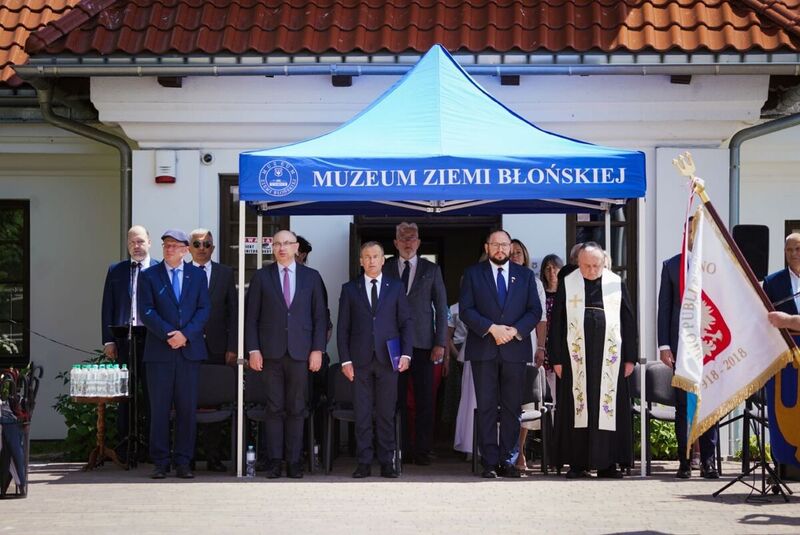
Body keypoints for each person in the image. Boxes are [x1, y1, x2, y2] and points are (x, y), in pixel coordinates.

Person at [549, 242, 637, 479]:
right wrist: (555, 358)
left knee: (607, 407)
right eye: (586, 266)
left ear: (603, 263)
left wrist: (630, 358)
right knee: (577, 407)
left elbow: (628, 320)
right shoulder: (568, 283)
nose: (591, 271)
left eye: (596, 266)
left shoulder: (615, 283)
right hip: (575, 358)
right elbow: (556, 321)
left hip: (610, 358)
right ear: (578, 263)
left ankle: (608, 463)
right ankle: (577, 463)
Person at [460, 230, 542, 478]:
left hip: (515, 350)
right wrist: (492, 329)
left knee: (511, 408)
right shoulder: (473, 274)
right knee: (485, 407)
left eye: (504, 245)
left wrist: (515, 331)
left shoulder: (526, 276)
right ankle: (489, 462)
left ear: (510, 247)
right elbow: (466, 310)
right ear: (487, 248)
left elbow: (534, 311)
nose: (500, 249)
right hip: (484, 349)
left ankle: (508, 460)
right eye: (495, 244)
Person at [245, 230, 327, 479]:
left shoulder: (311, 277)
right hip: (270, 353)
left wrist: (317, 350)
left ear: (296, 247)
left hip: (301, 353)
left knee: (296, 407)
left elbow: (320, 317)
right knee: (274, 408)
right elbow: (251, 317)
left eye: (286, 243)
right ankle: (274, 462)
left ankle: (293, 461)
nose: (281, 248)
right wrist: (253, 349)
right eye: (277, 244)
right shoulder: (261, 277)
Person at [138, 229, 210, 479]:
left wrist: (186, 335)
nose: (169, 249)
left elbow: (203, 309)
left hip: (189, 352)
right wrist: (170, 334)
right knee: (159, 409)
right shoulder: (149, 276)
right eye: (166, 245)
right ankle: (160, 461)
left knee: (186, 409)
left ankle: (183, 461)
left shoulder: (197, 276)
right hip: (160, 352)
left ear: (185, 250)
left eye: (174, 245)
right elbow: (146, 311)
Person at [337, 241, 413, 478]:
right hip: (359, 361)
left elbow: (406, 323)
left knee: (386, 413)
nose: (371, 261)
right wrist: (345, 361)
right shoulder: (350, 289)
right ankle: (364, 462)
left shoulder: (396, 288)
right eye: (367, 257)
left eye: (376, 256)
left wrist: (407, 353)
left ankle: (387, 461)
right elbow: (343, 329)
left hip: (388, 359)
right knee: (362, 413)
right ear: (361, 261)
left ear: (383, 260)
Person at [657, 217, 719, 479]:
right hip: (682, 348)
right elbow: (665, 307)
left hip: (711, 345)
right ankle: (684, 461)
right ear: (685, 232)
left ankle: (708, 461)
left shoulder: (716, 267)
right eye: (690, 230)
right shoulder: (672, 265)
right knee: (683, 406)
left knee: (710, 403)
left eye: (698, 230)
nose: (693, 234)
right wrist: (664, 345)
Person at [383, 222, 448, 465]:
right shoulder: (385, 267)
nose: (408, 242)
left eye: (412, 238)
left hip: (423, 343)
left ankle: (422, 449)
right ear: (395, 242)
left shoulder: (431, 270)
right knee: (394, 399)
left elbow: (441, 309)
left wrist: (440, 342)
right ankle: (398, 448)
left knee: (424, 400)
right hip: (392, 345)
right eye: (403, 238)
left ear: (419, 242)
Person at [101, 225, 158, 462]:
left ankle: (152, 446)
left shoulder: (159, 269)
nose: (137, 246)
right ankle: (126, 445)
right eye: (132, 242)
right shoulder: (116, 270)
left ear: (149, 243)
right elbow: (108, 307)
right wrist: (108, 341)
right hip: (125, 338)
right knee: (126, 392)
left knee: (153, 393)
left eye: (141, 241)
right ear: (127, 244)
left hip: (153, 339)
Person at [187, 228, 237, 472]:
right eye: (197, 244)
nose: (202, 247)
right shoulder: (180, 272)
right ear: (189, 248)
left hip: (217, 348)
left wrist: (232, 346)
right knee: (189, 402)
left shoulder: (225, 273)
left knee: (215, 403)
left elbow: (233, 312)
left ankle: (215, 457)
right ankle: (189, 457)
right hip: (188, 347)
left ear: (213, 248)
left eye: (207, 243)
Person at [509, 238, 548, 471]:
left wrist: (541, 347)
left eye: (518, 253)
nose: (514, 256)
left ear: (525, 256)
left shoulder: (534, 282)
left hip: (526, 343)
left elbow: (541, 318)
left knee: (524, 401)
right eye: (510, 253)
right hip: (501, 344)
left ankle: (520, 450)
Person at [540, 254, 564, 403]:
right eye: (547, 269)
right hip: (543, 345)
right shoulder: (539, 293)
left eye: (555, 268)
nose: (551, 272)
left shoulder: (566, 294)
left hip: (560, 345)